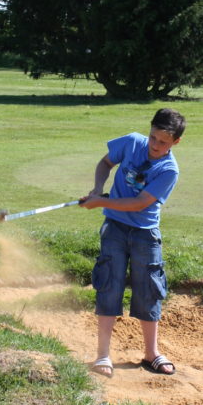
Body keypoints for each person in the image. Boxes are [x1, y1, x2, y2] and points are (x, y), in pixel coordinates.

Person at [79, 108, 186, 378]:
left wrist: (101, 202)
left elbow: (139, 203)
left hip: (145, 233)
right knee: (109, 284)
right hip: (114, 228)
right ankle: (103, 354)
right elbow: (105, 163)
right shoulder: (131, 142)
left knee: (149, 288)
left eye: (163, 142)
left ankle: (151, 353)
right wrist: (96, 188)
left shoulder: (169, 170)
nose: (155, 146)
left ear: (176, 142)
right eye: (153, 138)